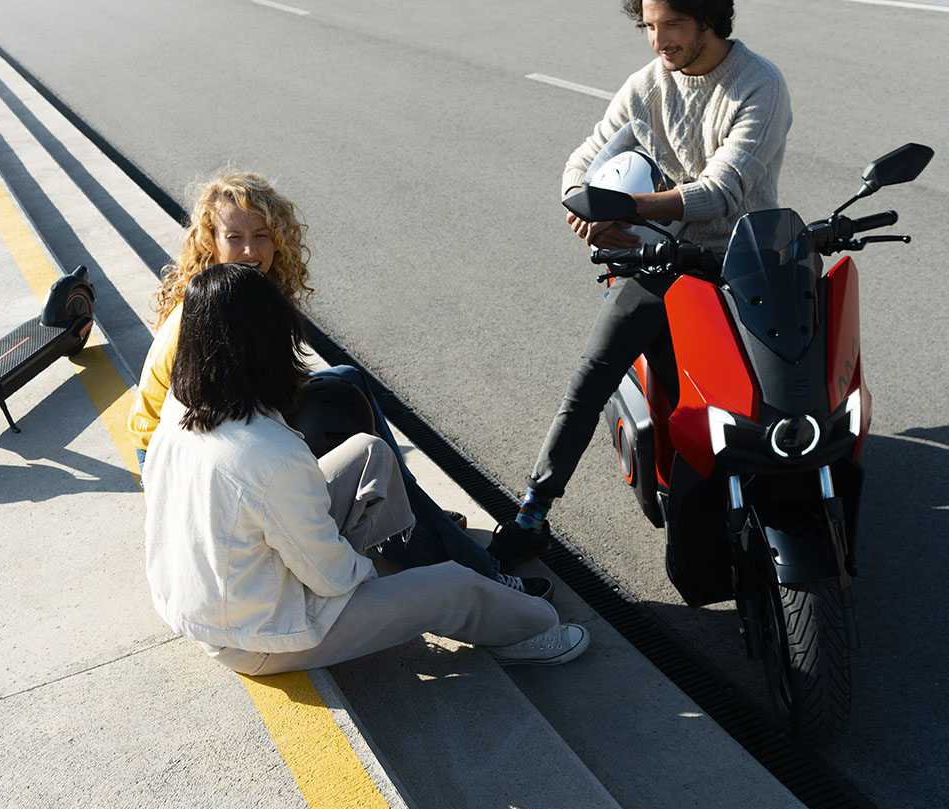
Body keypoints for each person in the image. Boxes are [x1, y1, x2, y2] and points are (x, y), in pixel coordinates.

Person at [142, 263, 590, 674]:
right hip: (259, 637)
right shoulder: (270, 454)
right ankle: (528, 628)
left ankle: (413, 555)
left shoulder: (183, 405)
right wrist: (396, 589)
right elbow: (332, 579)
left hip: (217, 600)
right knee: (451, 587)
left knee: (369, 453)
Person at [128, 172, 550, 596]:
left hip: (219, 428)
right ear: (210, 242)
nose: (251, 250)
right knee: (360, 454)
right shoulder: (213, 312)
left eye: (262, 234)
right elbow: (222, 427)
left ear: (279, 237)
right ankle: (489, 576)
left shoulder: (247, 291)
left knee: (347, 383)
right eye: (234, 237)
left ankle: (415, 507)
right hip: (180, 462)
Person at [488, 0, 792, 567]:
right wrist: (583, 203)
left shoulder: (759, 84)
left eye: (671, 24)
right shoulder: (648, 85)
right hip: (660, 257)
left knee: (776, 388)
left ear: (708, 18)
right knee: (592, 373)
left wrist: (624, 205)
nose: (658, 40)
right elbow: (583, 157)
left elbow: (722, 190)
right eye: (648, 26)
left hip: (740, 258)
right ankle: (532, 511)